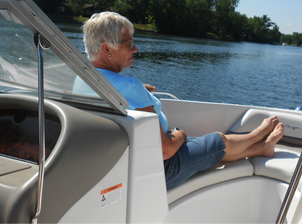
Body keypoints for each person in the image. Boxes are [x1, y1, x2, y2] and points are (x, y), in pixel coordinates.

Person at [82, 11, 284, 189]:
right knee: (218, 141)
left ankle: (262, 149)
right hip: (158, 169)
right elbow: (165, 149)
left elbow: (112, 92)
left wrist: (139, 90)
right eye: (128, 43)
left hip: (125, 164)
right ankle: (257, 136)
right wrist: (181, 135)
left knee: (204, 148)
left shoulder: (82, 78)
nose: (134, 49)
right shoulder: (129, 86)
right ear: (107, 49)